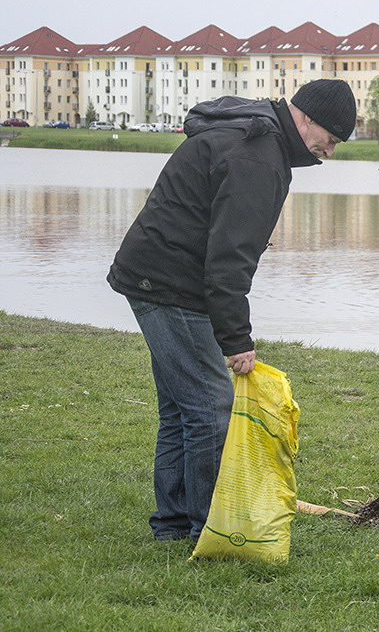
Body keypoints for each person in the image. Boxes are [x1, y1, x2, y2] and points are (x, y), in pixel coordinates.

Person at [107, 80, 356, 541]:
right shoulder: (258, 157)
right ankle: (207, 527)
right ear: (307, 118)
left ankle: (174, 524)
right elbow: (229, 260)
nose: (330, 151)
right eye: (331, 138)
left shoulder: (255, 136)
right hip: (168, 282)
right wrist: (237, 340)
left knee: (182, 408)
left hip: (157, 274)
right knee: (209, 408)